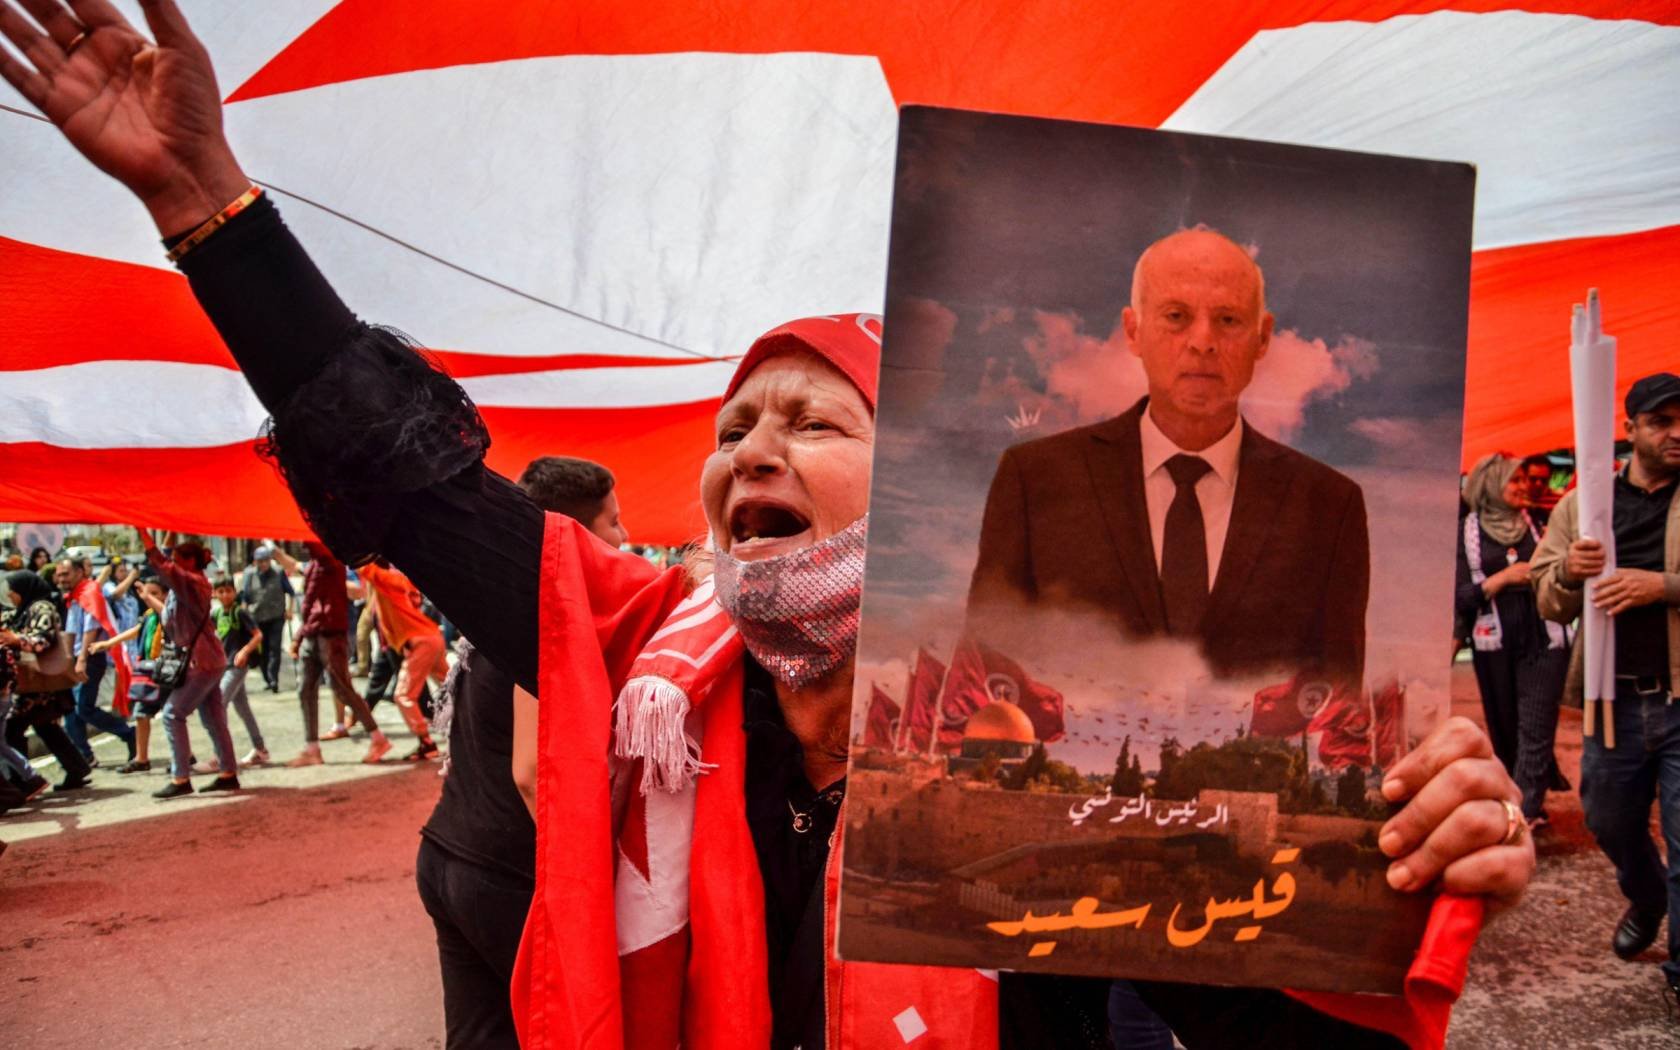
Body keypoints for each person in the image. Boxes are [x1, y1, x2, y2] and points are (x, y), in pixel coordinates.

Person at [0, 5, 1534, 1046]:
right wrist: (205, 200)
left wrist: (1405, 856)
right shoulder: (627, 636)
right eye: (735, 426)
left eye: (811, 419)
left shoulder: (1063, 730)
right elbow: (405, 476)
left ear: (928, 480)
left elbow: (1254, 1011)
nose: (754, 448)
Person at [969, 227, 1369, 690]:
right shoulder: (1033, 480)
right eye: (1176, 316)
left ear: (1262, 339)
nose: (1203, 341)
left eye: (1228, 320)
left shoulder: (1328, 506)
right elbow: (986, 672)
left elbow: (1341, 704)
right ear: (1133, 330)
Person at [417, 455, 626, 1049]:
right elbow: (533, 772)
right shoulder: (544, 614)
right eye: (614, 521)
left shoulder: (497, 603)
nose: (625, 537)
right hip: (506, 873)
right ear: (580, 535)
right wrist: (591, 878)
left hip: (445, 852)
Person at [1533, 371, 1680, 998]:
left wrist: (1665, 587)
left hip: (1679, 700)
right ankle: (1648, 898)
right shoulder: (1583, 506)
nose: (1677, 433)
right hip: (1610, 703)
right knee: (1610, 822)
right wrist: (1567, 569)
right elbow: (1548, 601)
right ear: (1630, 431)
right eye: (1662, 422)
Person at [1455, 453, 1571, 827]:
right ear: (1490, 485)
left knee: (1535, 727)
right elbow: (1458, 594)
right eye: (1515, 480)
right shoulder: (1465, 532)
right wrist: (1500, 581)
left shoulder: (1543, 523)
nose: (1526, 487)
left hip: (1545, 640)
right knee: (1505, 727)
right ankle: (1515, 797)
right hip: (1494, 645)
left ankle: (1523, 813)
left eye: (1526, 479)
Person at [134, 529, 240, 799]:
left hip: (201, 660)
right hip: (209, 659)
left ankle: (181, 777)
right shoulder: (189, 582)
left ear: (190, 561)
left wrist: (143, 532)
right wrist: (168, 528)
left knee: (172, 714)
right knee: (214, 718)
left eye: (178, 556)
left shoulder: (189, 582)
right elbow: (166, 558)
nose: (172, 559)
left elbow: (160, 560)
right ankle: (228, 773)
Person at [267, 542, 389, 765]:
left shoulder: (329, 563)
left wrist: (298, 637)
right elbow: (306, 592)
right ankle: (312, 747)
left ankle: (376, 737)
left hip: (330, 634)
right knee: (307, 688)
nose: (304, 543)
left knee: (341, 687)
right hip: (316, 633)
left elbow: (312, 599)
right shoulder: (316, 564)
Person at [0, 569, 91, 791]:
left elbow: (43, 641)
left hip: (39, 681)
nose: (10, 596)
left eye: (12, 591)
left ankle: (23, 780)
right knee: (45, 726)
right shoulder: (23, 609)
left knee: (12, 730)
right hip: (31, 680)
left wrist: (17, 640)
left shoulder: (42, 608)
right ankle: (76, 768)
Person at [355, 561, 445, 761]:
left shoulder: (382, 577)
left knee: (403, 696)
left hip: (420, 641)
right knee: (453, 687)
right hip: (430, 637)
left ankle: (427, 743)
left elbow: (362, 565)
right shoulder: (400, 578)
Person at [56, 555, 138, 765]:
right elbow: (72, 631)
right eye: (58, 575)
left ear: (79, 573)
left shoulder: (89, 593)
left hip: (91, 657)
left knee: (84, 708)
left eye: (65, 574)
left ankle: (128, 733)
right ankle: (83, 756)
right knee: (71, 711)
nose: (61, 579)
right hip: (77, 658)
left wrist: (82, 659)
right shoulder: (75, 595)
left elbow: (90, 629)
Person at [94, 573, 173, 773]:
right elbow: (137, 630)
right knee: (140, 714)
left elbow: (166, 615)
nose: (148, 597)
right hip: (148, 672)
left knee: (172, 716)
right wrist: (109, 643)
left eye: (155, 593)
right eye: (147, 593)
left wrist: (148, 598)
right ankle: (141, 758)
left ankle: (183, 756)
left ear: (166, 595)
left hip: (167, 672)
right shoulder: (148, 616)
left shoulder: (169, 614)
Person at [212, 575, 270, 765]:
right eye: (221, 591)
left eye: (229, 591)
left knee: (218, 705)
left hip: (237, 667)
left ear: (235, 593)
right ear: (215, 594)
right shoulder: (217, 614)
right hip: (224, 665)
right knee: (243, 708)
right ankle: (260, 748)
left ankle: (220, 755)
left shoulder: (241, 613)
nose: (225, 595)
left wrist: (245, 651)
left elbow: (258, 635)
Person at [239, 543, 294, 692]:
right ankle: (267, 678)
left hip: (276, 616)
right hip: (257, 618)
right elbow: (244, 596)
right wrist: (244, 615)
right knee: (262, 650)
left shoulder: (279, 572)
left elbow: (291, 592)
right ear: (255, 561)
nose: (263, 564)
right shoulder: (249, 574)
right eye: (260, 561)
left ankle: (273, 680)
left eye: (266, 561)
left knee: (274, 648)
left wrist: (290, 610)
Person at [1519, 454, 1557, 528]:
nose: (1538, 484)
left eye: (1543, 480)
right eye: (1533, 479)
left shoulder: (1560, 501)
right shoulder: (1517, 502)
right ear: (1523, 477)